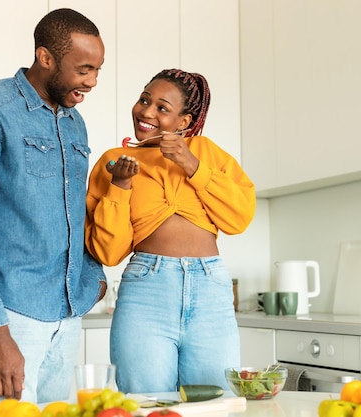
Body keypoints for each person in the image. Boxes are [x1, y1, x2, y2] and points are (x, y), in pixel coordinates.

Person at [0, 8, 107, 416]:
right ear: (46, 58)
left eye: (98, 70)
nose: (91, 82)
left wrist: (94, 276)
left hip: (67, 313)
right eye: (84, 69)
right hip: (13, 314)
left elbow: (77, 210)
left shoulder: (75, 123)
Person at [85, 69, 256, 393]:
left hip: (211, 291)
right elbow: (107, 252)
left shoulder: (205, 152)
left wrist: (190, 163)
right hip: (146, 291)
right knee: (146, 402)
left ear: (183, 121)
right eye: (144, 100)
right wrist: (120, 185)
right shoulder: (115, 161)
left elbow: (240, 217)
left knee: (215, 405)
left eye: (162, 108)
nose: (146, 111)